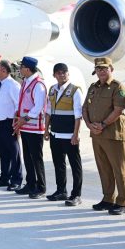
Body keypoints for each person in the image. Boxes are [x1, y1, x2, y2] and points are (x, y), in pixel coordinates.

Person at [83, 57, 125, 215]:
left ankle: (122, 202)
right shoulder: (93, 87)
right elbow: (85, 108)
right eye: (98, 69)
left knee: (119, 169)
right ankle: (108, 199)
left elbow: (118, 109)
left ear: (111, 69)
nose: (101, 71)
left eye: (104, 68)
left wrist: (102, 125)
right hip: (96, 134)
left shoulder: (118, 87)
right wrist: (90, 125)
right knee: (104, 168)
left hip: (113, 134)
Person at [45, 63, 83, 206]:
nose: (62, 75)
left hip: (69, 135)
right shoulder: (52, 89)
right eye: (59, 73)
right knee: (58, 164)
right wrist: (46, 130)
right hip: (55, 133)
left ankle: (76, 194)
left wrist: (76, 134)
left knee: (75, 165)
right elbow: (48, 111)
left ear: (68, 74)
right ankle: (61, 190)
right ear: (54, 75)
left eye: (64, 72)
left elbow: (78, 115)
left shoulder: (75, 90)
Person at [15, 57, 47, 199]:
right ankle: (30, 183)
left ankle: (41, 186)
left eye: (21, 67)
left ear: (27, 69)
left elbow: (38, 107)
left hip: (34, 127)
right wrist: (18, 118)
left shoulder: (38, 85)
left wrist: (25, 119)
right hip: (25, 127)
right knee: (27, 157)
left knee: (36, 158)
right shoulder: (25, 82)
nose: (19, 69)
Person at [0, 60, 23, 191]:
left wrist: (17, 124)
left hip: (9, 123)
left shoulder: (13, 85)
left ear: (3, 70)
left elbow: (18, 105)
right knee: (2, 152)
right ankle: (4, 177)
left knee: (14, 153)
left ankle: (16, 179)